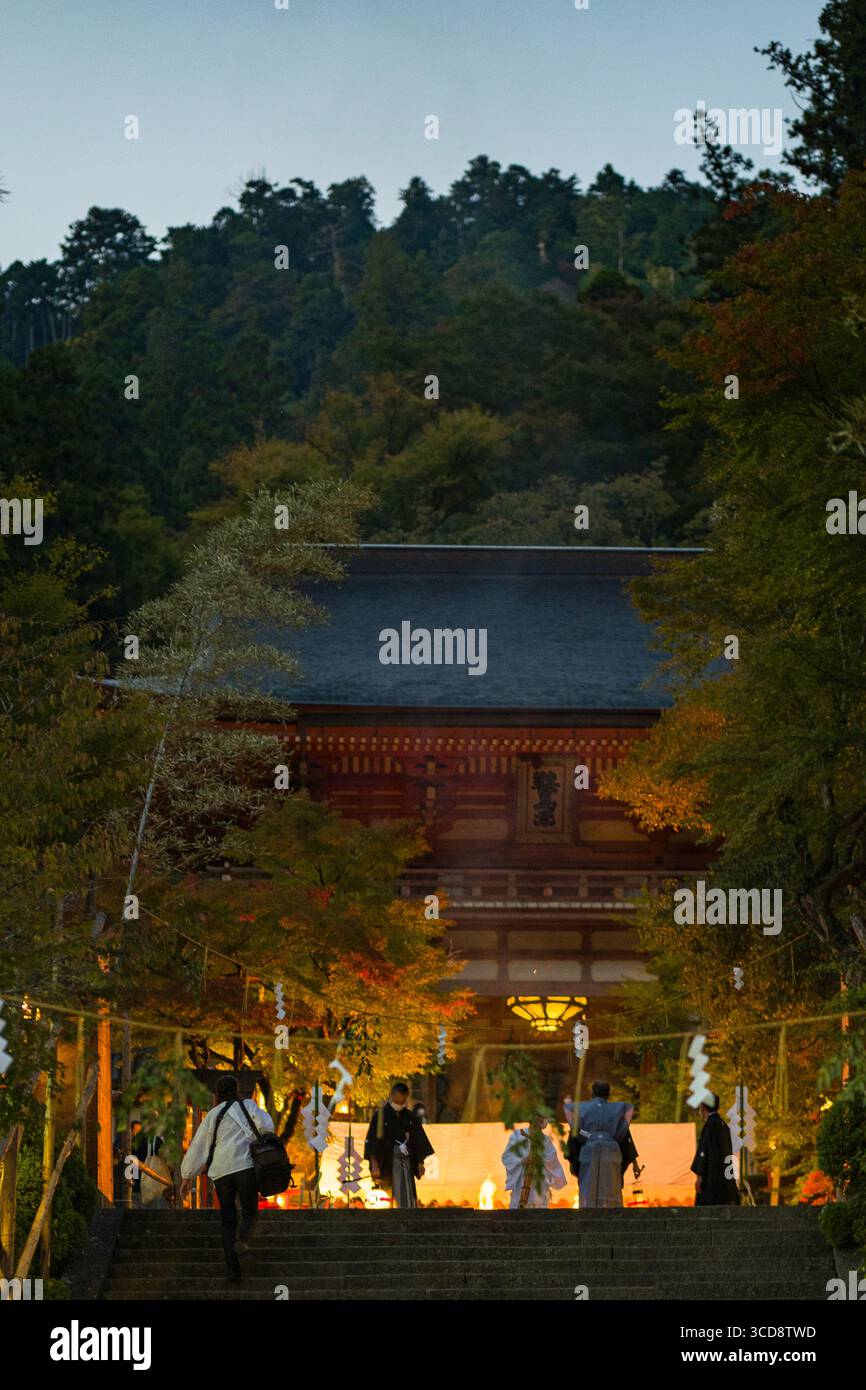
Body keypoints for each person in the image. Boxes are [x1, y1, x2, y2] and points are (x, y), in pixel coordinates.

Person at [180, 1074, 275, 1282]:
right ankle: (243, 1240)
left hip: (221, 1172)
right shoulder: (248, 1106)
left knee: (227, 1221)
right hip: (245, 1168)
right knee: (250, 1211)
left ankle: (233, 1271)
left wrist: (187, 1176)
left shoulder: (213, 1115)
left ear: (217, 1094)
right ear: (238, 1089)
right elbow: (267, 1126)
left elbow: (198, 1146)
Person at [567, 1080, 637, 1209]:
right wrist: (613, 1136)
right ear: (608, 1093)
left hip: (589, 1147)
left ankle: (588, 1212)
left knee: (589, 1183)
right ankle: (612, 1214)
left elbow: (574, 1126)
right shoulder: (620, 1108)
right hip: (611, 1147)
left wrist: (588, 1136)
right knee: (610, 1184)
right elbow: (624, 1129)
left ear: (592, 1093)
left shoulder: (579, 1107)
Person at [364, 1082, 434, 1208]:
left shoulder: (410, 1117)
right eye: (398, 1101)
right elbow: (372, 1142)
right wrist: (374, 1164)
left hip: (406, 1162)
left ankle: (408, 1213)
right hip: (387, 1161)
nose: (400, 1104)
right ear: (392, 1096)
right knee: (386, 1196)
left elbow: (418, 1140)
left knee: (407, 1192)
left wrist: (420, 1163)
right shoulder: (380, 1116)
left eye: (403, 1101)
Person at [502, 1114, 567, 1209]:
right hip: (522, 1180)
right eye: (537, 1117)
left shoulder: (546, 1140)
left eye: (542, 1119)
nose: (540, 1121)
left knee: (538, 1207)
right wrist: (521, 1160)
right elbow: (507, 1157)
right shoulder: (518, 1135)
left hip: (539, 1181)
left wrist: (540, 1160)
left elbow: (552, 1161)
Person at [691, 1092, 740, 1206]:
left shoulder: (710, 1126)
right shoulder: (723, 1125)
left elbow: (703, 1152)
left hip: (711, 1178)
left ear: (703, 1107)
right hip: (725, 1177)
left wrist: (700, 1175)